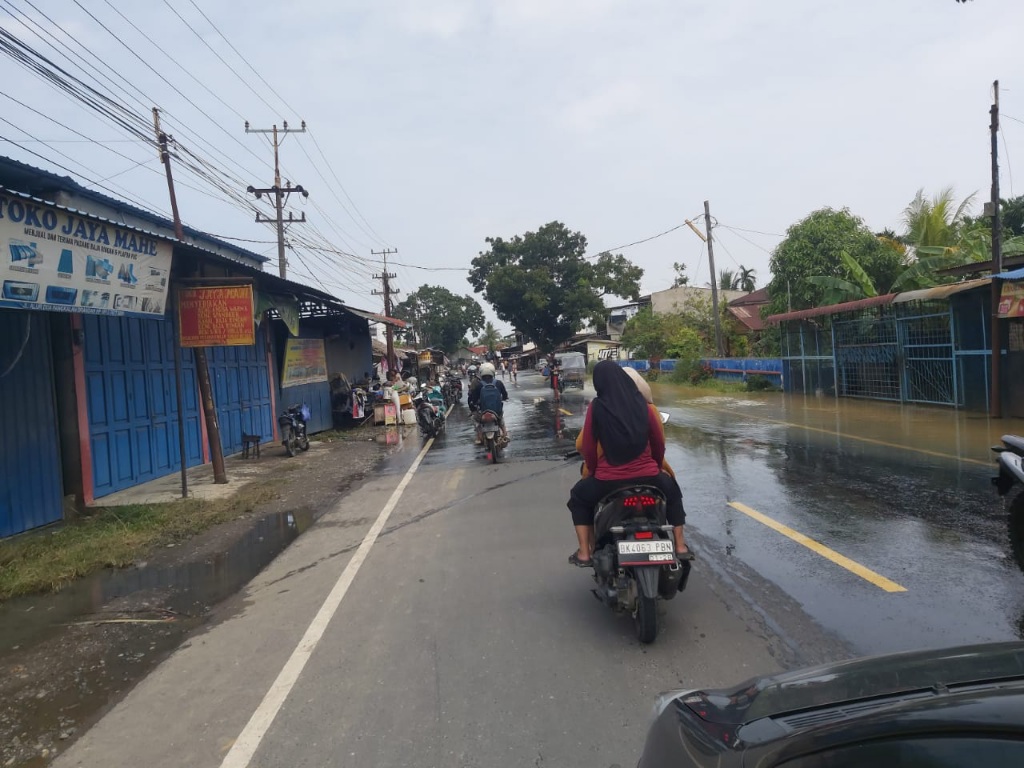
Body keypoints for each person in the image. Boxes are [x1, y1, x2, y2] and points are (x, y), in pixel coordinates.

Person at [566, 360, 689, 567]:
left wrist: (594, 471)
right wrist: (656, 466)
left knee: (578, 498)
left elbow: (587, 446)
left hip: (608, 480)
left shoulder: (597, 407)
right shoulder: (644, 405)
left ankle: (585, 553)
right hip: (650, 477)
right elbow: (658, 442)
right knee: (674, 493)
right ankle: (680, 546)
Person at [468, 362, 509, 444]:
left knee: (475, 419)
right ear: (493, 372)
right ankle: (505, 434)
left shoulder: (479, 385)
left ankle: (479, 437)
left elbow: (473, 399)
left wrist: (473, 406)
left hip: (483, 412)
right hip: (497, 412)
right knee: (501, 419)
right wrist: (504, 398)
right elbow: (505, 395)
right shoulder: (498, 383)